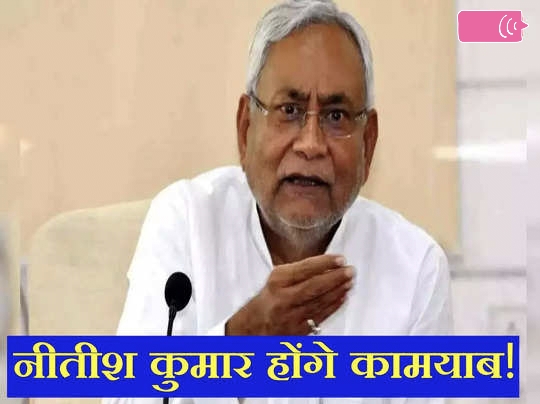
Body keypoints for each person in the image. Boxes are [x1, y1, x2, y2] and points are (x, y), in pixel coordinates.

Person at [106, 0, 452, 402]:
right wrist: (240, 342)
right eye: (289, 110)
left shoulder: (416, 268)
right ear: (245, 128)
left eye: (336, 116)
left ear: (368, 143)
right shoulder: (186, 222)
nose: (311, 144)